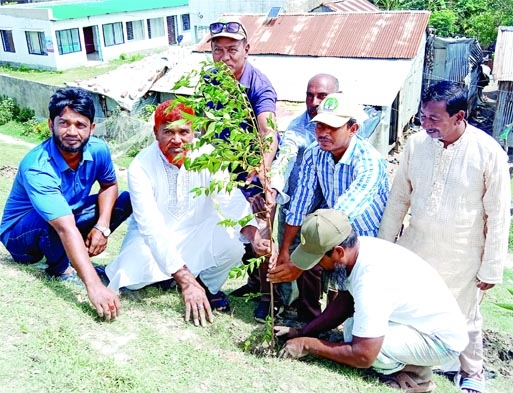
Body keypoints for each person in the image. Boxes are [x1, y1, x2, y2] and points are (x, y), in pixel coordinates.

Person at [378, 80, 511, 393]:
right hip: (417, 248)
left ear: (459, 117)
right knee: (411, 310)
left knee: (464, 316)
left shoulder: (487, 152)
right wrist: (386, 247)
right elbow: (398, 200)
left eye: (434, 119)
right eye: (424, 116)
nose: (426, 124)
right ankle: (410, 370)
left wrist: (492, 267)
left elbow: (498, 214)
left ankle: (472, 374)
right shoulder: (415, 145)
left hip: (463, 254)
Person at [105, 100, 271, 327]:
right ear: (156, 133)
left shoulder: (208, 154)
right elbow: (151, 228)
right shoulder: (141, 166)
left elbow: (230, 199)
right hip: (154, 237)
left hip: (198, 229)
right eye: (168, 132)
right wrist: (185, 282)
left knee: (233, 245)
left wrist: (255, 236)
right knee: (130, 276)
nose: (177, 140)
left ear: (195, 132)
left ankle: (206, 285)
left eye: (184, 131)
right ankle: (178, 277)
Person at [275, 209, 468, 393]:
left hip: (440, 341)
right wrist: (302, 332)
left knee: (370, 348)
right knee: (353, 328)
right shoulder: (359, 249)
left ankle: (417, 376)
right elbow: (345, 302)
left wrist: (307, 344)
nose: (316, 265)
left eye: (318, 259)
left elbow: (363, 355)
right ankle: (406, 361)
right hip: (418, 324)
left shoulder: (371, 278)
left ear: (339, 251)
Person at [0, 87, 132, 321]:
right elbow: (65, 227)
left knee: (125, 201)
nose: (72, 131)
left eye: (80, 125)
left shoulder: (98, 150)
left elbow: (109, 185)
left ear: (91, 128)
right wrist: (93, 285)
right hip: (21, 238)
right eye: (64, 123)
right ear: (51, 124)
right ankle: (61, 269)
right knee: (53, 220)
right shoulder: (38, 166)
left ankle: (71, 256)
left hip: (66, 217)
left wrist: (102, 226)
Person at [269, 93, 389, 322]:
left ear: (353, 129)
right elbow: (300, 202)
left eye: (332, 127)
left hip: (366, 239)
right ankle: (314, 322)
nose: (323, 133)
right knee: (308, 240)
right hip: (332, 232)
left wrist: (299, 264)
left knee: (356, 299)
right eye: (319, 126)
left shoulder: (369, 161)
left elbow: (342, 215)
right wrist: (286, 251)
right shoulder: (315, 153)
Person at [208, 16, 281, 322]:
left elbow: (269, 133)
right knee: (235, 225)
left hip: (255, 168)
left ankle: (270, 297)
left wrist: (261, 169)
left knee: (263, 226)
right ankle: (251, 283)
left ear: (246, 49)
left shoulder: (259, 86)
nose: (225, 57)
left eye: (232, 50)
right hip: (227, 167)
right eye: (218, 50)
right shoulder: (211, 81)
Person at [270, 73, 340, 311]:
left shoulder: (348, 130)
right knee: (287, 254)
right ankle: (286, 306)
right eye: (309, 95)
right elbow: (284, 158)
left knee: (323, 264)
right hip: (295, 205)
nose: (314, 102)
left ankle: (318, 313)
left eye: (322, 96)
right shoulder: (297, 127)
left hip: (330, 211)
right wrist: (274, 185)